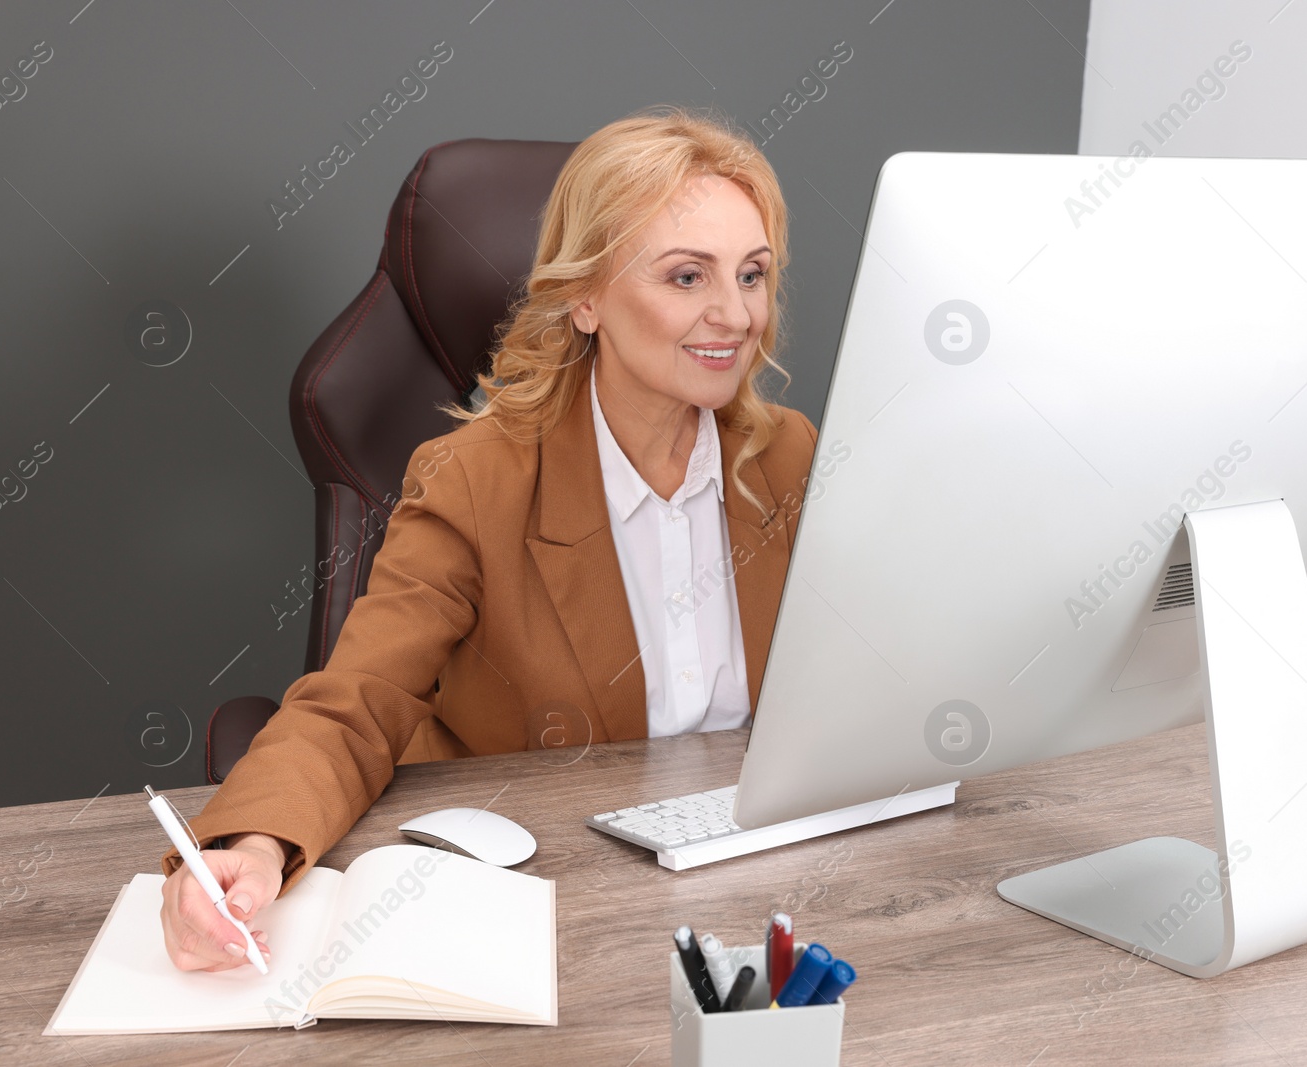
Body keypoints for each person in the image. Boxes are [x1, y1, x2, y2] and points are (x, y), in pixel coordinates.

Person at [157, 106, 820, 971]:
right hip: (536, 901)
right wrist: (254, 845)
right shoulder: (477, 478)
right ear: (586, 296)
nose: (735, 315)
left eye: (753, 274)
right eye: (687, 277)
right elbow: (357, 701)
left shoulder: (787, 456)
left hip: (754, 880)